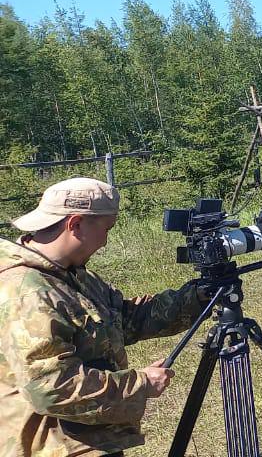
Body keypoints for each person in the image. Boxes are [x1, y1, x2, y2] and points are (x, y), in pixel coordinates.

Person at [0, 178, 208, 457]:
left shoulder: (70, 275)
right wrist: (141, 384)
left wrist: (198, 297)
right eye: (106, 229)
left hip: (81, 436)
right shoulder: (28, 292)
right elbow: (51, 388)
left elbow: (125, 320)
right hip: (51, 445)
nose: (106, 242)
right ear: (75, 224)